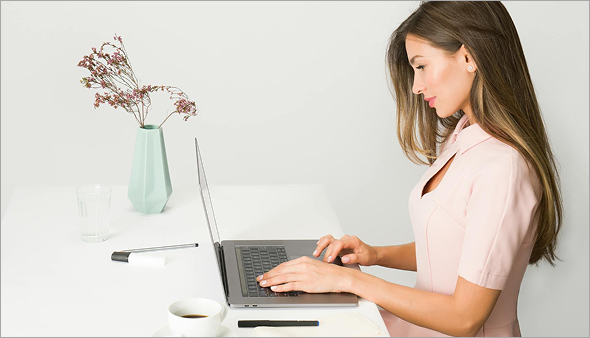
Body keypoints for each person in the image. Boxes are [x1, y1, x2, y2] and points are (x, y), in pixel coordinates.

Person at [256, 1, 563, 336]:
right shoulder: (462, 139)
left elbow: (465, 318)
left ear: (468, 57)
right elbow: (454, 248)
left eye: (421, 66)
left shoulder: (503, 169)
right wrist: (374, 254)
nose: (416, 87)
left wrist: (349, 279)